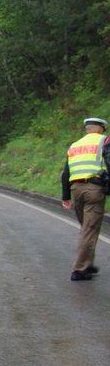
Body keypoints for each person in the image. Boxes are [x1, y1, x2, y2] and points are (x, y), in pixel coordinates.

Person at [61, 116, 110, 281]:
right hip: (94, 189)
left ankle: (87, 264)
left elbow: (66, 173)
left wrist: (66, 196)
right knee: (89, 229)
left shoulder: (75, 145)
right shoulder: (105, 141)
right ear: (100, 128)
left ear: (87, 128)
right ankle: (79, 270)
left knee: (87, 227)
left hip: (76, 190)